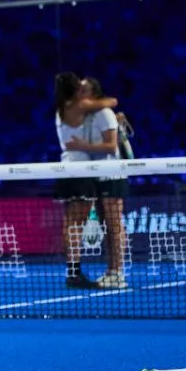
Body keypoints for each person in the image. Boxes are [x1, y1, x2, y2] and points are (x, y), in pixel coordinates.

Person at [53, 71, 119, 289]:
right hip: (80, 169)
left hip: (67, 168)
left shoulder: (61, 109)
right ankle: (74, 273)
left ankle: (73, 271)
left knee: (71, 222)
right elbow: (112, 101)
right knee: (76, 223)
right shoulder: (78, 107)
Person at [64, 76, 130, 289]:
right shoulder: (86, 116)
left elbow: (111, 146)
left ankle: (117, 273)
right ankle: (110, 271)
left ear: (93, 94)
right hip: (96, 176)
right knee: (106, 225)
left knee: (114, 225)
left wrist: (83, 145)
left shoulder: (103, 114)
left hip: (111, 174)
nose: (79, 93)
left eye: (83, 90)